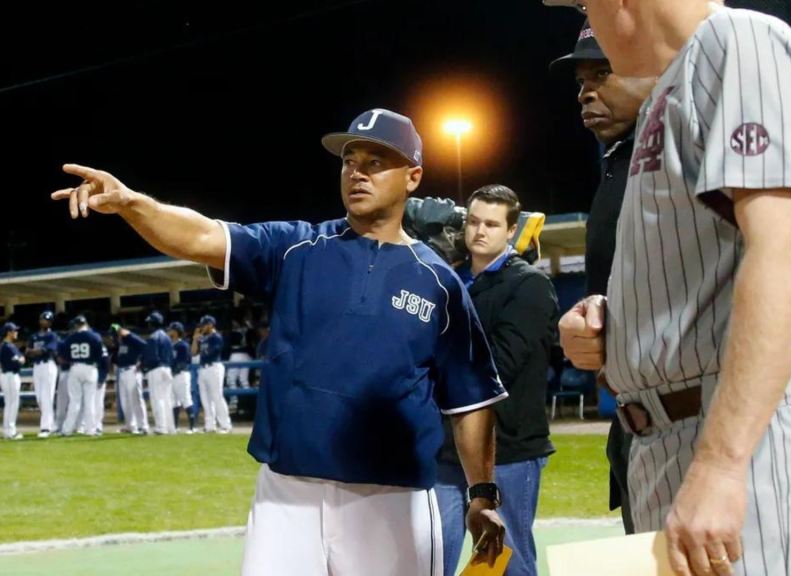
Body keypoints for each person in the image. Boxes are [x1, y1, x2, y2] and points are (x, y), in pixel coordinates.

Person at [51, 107, 507, 575]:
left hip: (391, 497)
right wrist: (131, 203)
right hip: (287, 494)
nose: (357, 173)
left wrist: (482, 494)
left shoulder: (439, 282)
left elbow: (470, 401)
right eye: (350, 161)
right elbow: (204, 235)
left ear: (412, 177)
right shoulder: (296, 249)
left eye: (375, 162)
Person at [551, 2, 791, 575]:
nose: (588, 16)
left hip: (747, 443)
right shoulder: (667, 95)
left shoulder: (740, 40)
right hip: (669, 438)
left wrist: (722, 464)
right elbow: (700, 265)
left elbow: (790, 248)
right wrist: (611, 319)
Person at [550, 18, 656, 536]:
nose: (586, 93)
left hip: (701, 422)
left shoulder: (697, 143)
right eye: (580, 81)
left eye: (603, 73)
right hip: (639, 420)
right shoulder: (621, 161)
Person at [435, 185, 560, 576]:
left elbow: (500, 364)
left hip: (508, 450)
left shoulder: (530, 285)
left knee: (503, 559)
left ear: (511, 231)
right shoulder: (449, 279)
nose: (480, 231)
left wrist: (433, 370)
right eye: (473, 221)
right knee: (433, 548)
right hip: (447, 449)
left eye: (491, 224)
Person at [60, 315, 107, 437]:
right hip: (90, 368)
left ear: (76, 325)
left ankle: (67, 430)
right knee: (90, 401)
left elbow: (64, 357)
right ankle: (90, 429)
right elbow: (101, 356)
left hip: (75, 367)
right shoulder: (95, 336)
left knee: (74, 401)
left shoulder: (70, 338)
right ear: (86, 323)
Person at [193, 315, 231, 433]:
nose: (202, 327)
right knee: (205, 398)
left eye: (204, 325)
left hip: (214, 367)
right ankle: (210, 425)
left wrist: (201, 341)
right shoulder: (203, 338)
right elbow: (193, 353)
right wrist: (195, 339)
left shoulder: (216, 337)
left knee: (217, 397)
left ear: (210, 324)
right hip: (203, 369)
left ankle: (225, 425)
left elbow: (213, 352)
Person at [26, 311, 60, 438]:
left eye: (47, 320)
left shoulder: (52, 336)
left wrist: (35, 351)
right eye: (43, 319)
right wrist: (36, 351)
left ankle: (46, 427)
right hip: (37, 366)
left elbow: (47, 350)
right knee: (39, 398)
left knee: (47, 397)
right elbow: (28, 352)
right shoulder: (34, 336)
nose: (45, 322)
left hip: (48, 365)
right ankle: (52, 424)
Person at [113, 323, 150, 434]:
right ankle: (130, 425)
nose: (117, 336)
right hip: (122, 372)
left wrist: (130, 335)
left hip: (132, 371)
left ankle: (143, 426)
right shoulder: (122, 343)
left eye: (119, 334)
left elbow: (145, 346)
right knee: (125, 401)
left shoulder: (133, 341)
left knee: (136, 399)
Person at [141, 311, 174, 435]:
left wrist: (144, 367)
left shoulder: (153, 337)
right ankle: (170, 427)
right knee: (166, 399)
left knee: (157, 399)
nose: (148, 324)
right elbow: (172, 356)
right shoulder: (167, 337)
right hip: (167, 369)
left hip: (156, 370)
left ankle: (161, 427)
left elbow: (151, 357)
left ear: (153, 323)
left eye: (150, 322)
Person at [168, 321, 196, 434]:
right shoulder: (170, 345)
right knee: (174, 401)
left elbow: (184, 362)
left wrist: (174, 371)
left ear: (176, 332)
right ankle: (175, 427)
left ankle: (193, 427)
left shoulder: (182, 345)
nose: (169, 331)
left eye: (171, 330)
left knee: (186, 399)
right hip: (172, 376)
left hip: (181, 375)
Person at [1, 322, 26, 440]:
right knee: (12, 404)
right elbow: (19, 361)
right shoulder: (8, 347)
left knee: (9, 404)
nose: (16, 332)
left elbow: (22, 358)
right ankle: (11, 431)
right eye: (14, 330)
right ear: (9, 332)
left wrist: (21, 359)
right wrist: (21, 359)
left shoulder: (8, 346)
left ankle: (7, 430)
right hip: (10, 375)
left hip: (7, 375)